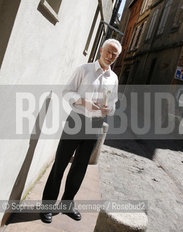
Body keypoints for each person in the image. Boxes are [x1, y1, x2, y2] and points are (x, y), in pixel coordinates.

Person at [40, 38, 122, 224]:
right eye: (108, 51)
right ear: (101, 50)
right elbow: (67, 92)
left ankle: (67, 204)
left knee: (80, 166)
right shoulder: (84, 70)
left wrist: (108, 109)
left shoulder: (114, 78)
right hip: (76, 120)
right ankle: (47, 206)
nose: (110, 56)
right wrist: (83, 101)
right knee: (60, 163)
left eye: (114, 55)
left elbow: (114, 104)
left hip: (95, 125)